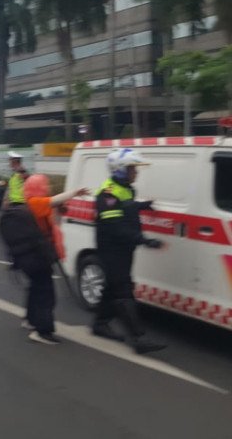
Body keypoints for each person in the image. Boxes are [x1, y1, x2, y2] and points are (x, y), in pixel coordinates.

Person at [91, 148, 167, 354]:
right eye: (132, 168)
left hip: (124, 248)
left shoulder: (125, 188)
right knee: (124, 289)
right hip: (112, 250)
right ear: (120, 170)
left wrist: (143, 206)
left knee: (112, 286)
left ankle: (100, 324)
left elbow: (126, 208)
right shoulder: (108, 194)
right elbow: (116, 227)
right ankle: (138, 338)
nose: (136, 172)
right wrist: (143, 240)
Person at [22, 174, 90, 345]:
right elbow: (53, 201)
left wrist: (59, 210)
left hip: (33, 255)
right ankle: (42, 331)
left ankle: (30, 320)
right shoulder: (35, 202)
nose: (48, 188)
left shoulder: (35, 203)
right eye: (45, 185)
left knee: (36, 289)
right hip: (38, 256)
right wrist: (74, 192)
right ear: (38, 188)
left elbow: (55, 224)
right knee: (46, 293)